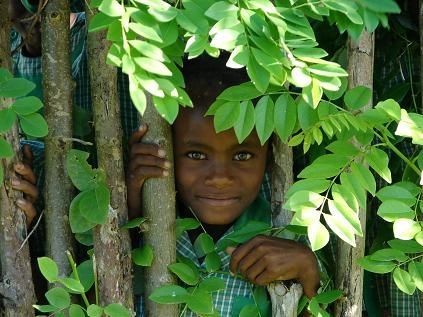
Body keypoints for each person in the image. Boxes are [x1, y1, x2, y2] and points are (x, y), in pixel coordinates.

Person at [126, 56, 320, 316]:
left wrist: (308, 273)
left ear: (270, 156)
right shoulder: (140, 232)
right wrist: (130, 211)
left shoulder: (288, 233)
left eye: (242, 155)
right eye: (196, 155)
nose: (220, 177)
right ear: (164, 148)